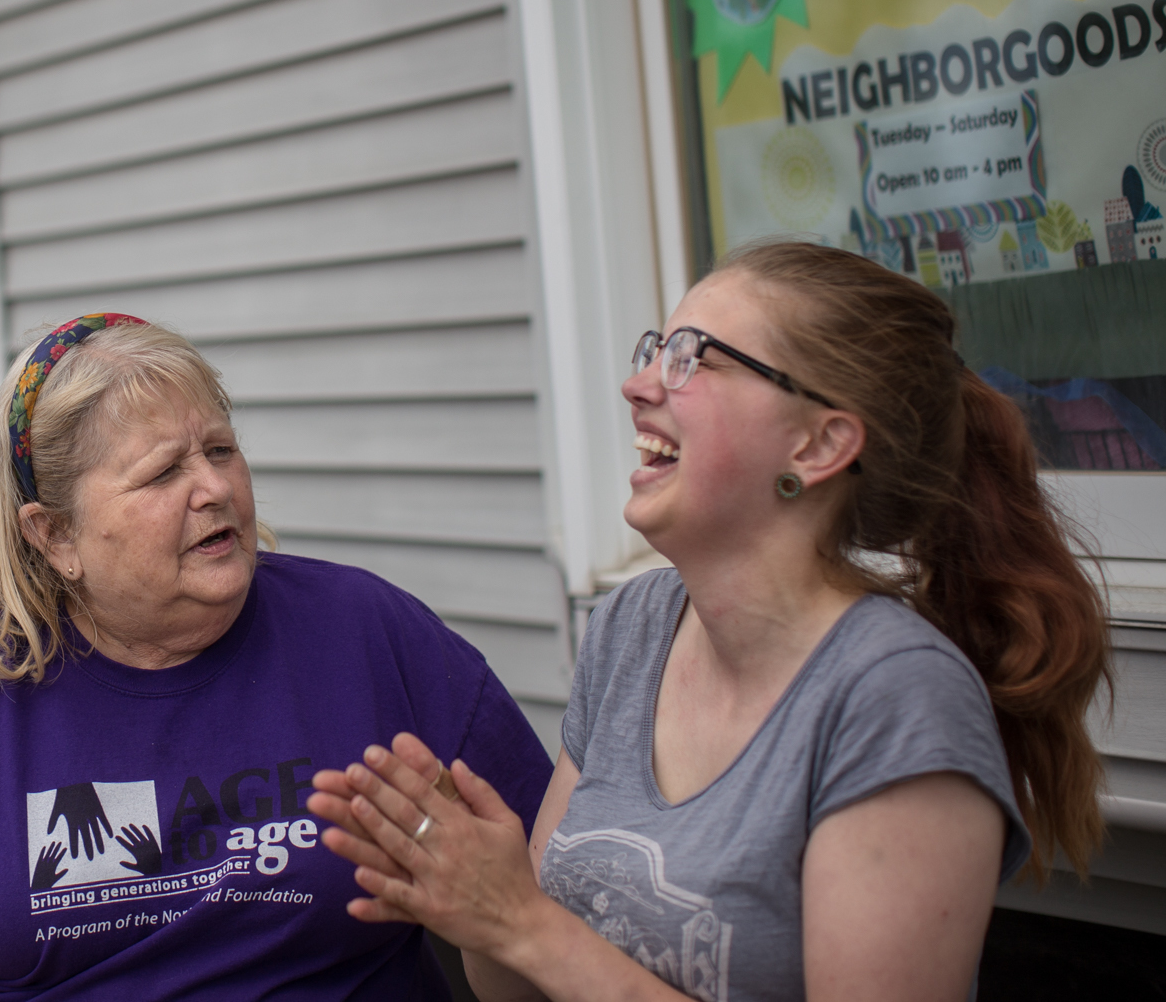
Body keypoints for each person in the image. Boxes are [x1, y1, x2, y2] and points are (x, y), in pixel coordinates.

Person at [308, 242, 1110, 1001]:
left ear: (819, 443)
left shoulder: (896, 697)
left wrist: (525, 920)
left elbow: (544, 940)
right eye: (655, 348)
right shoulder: (632, 629)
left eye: (692, 356)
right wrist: (473, 901)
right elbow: (518, 988)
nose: (640, 384)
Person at [0, 314, 554, 1000]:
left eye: (220, 449)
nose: (213, 487)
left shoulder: (369, 635)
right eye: (165, 471)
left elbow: (545, 914)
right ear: (57, 536)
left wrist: (494, 917)